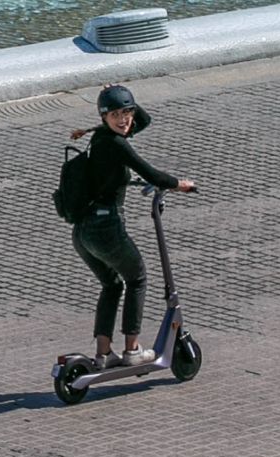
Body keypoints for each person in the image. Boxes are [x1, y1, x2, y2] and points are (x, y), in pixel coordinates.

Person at [68, 85, 197, 370]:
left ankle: (104, 354)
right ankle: (132, 350)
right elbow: (151, 173)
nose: (124, 119)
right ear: (103, 117)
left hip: (83, 230)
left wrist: (119, 95)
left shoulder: (101, 138)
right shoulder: (116, 144)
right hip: (105, 228)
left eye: (127, 112)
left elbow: (144, 121)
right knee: (137, 278)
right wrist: (180, 185)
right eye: (115, 114)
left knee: (112, 284)